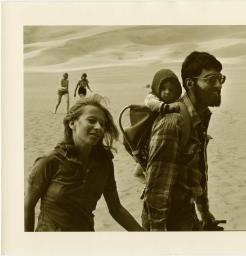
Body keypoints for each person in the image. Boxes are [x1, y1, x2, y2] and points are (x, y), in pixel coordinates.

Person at [25, 94, 143, 231]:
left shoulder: (104, 163)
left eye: (102, 124)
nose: (99, 127)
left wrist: (144, 237)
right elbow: (27, 206)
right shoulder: (49, 162)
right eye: (91, 120)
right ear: (72, 123)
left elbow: (116, 209)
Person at [141, 51, 226, 231]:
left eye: (220, 78)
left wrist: (205, 215)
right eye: (210, 79)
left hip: (186, 215)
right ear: (190, 83)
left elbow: (197, 171)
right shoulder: (173, 123)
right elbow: (156, 189)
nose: (218, 85)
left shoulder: (199, 118)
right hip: (167, 221)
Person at [132, 69, 182, 182]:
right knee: (143, 167)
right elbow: (151, 103)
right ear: (157, 87)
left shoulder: (176, 101)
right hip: (147, 141)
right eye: (163, 88)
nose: (167, 92)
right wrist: (165, 107)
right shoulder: (152, 97)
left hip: (165, 142)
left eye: (171, 90)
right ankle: (147, 183)